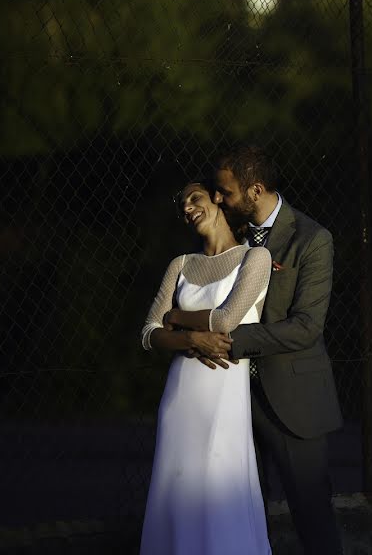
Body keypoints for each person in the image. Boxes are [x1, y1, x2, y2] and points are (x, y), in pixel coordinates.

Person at [206, 145, 344, 554]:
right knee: (243, 518)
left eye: (225, 192)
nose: (218, 199)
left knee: (313, 519)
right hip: (231, 397)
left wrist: (229, 342)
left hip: (292, 402)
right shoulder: (227, 235)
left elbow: (306, 327)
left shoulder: (312, 239)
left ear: (256, 189)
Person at [139, 180, 273, 555]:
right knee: (176, 489)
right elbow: (150, 332)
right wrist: (190, 340)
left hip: (226, 393)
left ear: (217, 199)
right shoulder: (180, 264)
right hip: (181, 396)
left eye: (194, 197)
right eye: (182, 203)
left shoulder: (255, 258)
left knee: (220, 484)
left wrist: (176, 316)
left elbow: (227, 319)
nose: (187, 207)